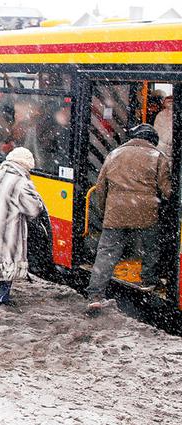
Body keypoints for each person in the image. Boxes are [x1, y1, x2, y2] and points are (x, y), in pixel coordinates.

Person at [86, 124, 172, 312]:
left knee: (107, 253)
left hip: (115, 212)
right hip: (146, 212)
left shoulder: (114, 154)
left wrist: (104, 211)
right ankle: (148, 281)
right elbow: (166, 191)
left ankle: (95, 295)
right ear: (152, 140)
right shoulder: (158, 157)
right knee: (151, 247)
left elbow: (101, 188)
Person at [0, 147, 44, 306]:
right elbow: (34, 209)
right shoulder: (21, 183)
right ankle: (0, 298)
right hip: (7, 232)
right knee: (6, 264)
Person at [154, 95, 173, 160]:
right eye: (168, 101)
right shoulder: (160, 115)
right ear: (164, 103)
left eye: (171, 101)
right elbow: (156, 130)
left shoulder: (178, 114)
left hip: (173, 145)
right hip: (162, 145)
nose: (170, 104)